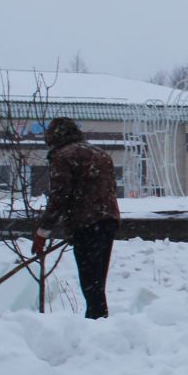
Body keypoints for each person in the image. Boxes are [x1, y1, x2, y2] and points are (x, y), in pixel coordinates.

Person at [41, 117, 119, 319]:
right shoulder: (101, 154)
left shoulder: (63, 156)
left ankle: (96, 324)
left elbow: (60, 195)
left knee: (89, 282)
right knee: (97, 282)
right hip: (108, 221)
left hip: (86, 225)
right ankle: (99, 321)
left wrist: (43, 231)